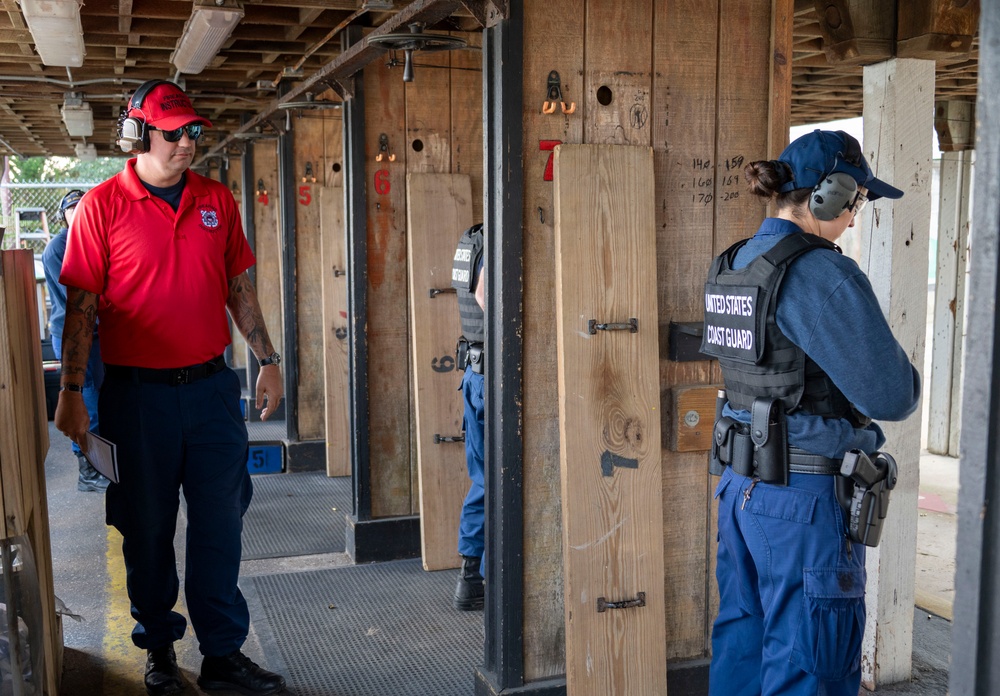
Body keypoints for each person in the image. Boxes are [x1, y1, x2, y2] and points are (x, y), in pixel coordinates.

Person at [55, 80, 286, 696]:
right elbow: (81, 308)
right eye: (173, 132)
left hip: (211, 393)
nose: (187, 143)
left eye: (192, 132)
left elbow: (238, 288)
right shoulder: (103, 207)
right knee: (147, 527)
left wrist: (267, 358)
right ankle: (158, 650)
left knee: (220, 524)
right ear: (139, 134)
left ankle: (222, 655)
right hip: (138, 400)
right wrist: (72, 391)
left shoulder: (216, 200)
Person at [700, 130, 921, 696]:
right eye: (860, 200)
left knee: (744, 652)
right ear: (832, 193)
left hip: (740, 489)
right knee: (810, 668)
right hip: (802, 503)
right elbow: (893, 396)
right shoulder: (822, 274)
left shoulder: (735, 264)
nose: (856, 215)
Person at [42, 189, 109, 492]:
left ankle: (100, 464)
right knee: (87, 399)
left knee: (97, 397)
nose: (79, 212)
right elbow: (80, 297)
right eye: (73, 209)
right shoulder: (59, 248)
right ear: (64, 215)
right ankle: (88, 470)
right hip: (73, 335)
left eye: (84, 207)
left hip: (94, 335)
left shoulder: (90, 241)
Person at [450, 222, 486, 611]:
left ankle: (471, 576)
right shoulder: (496, 233)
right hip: (494, 376)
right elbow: (485, 293)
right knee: (495, 479)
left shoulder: (471, 238)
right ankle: (479, 576)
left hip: (475, 373)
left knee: (482, 478)